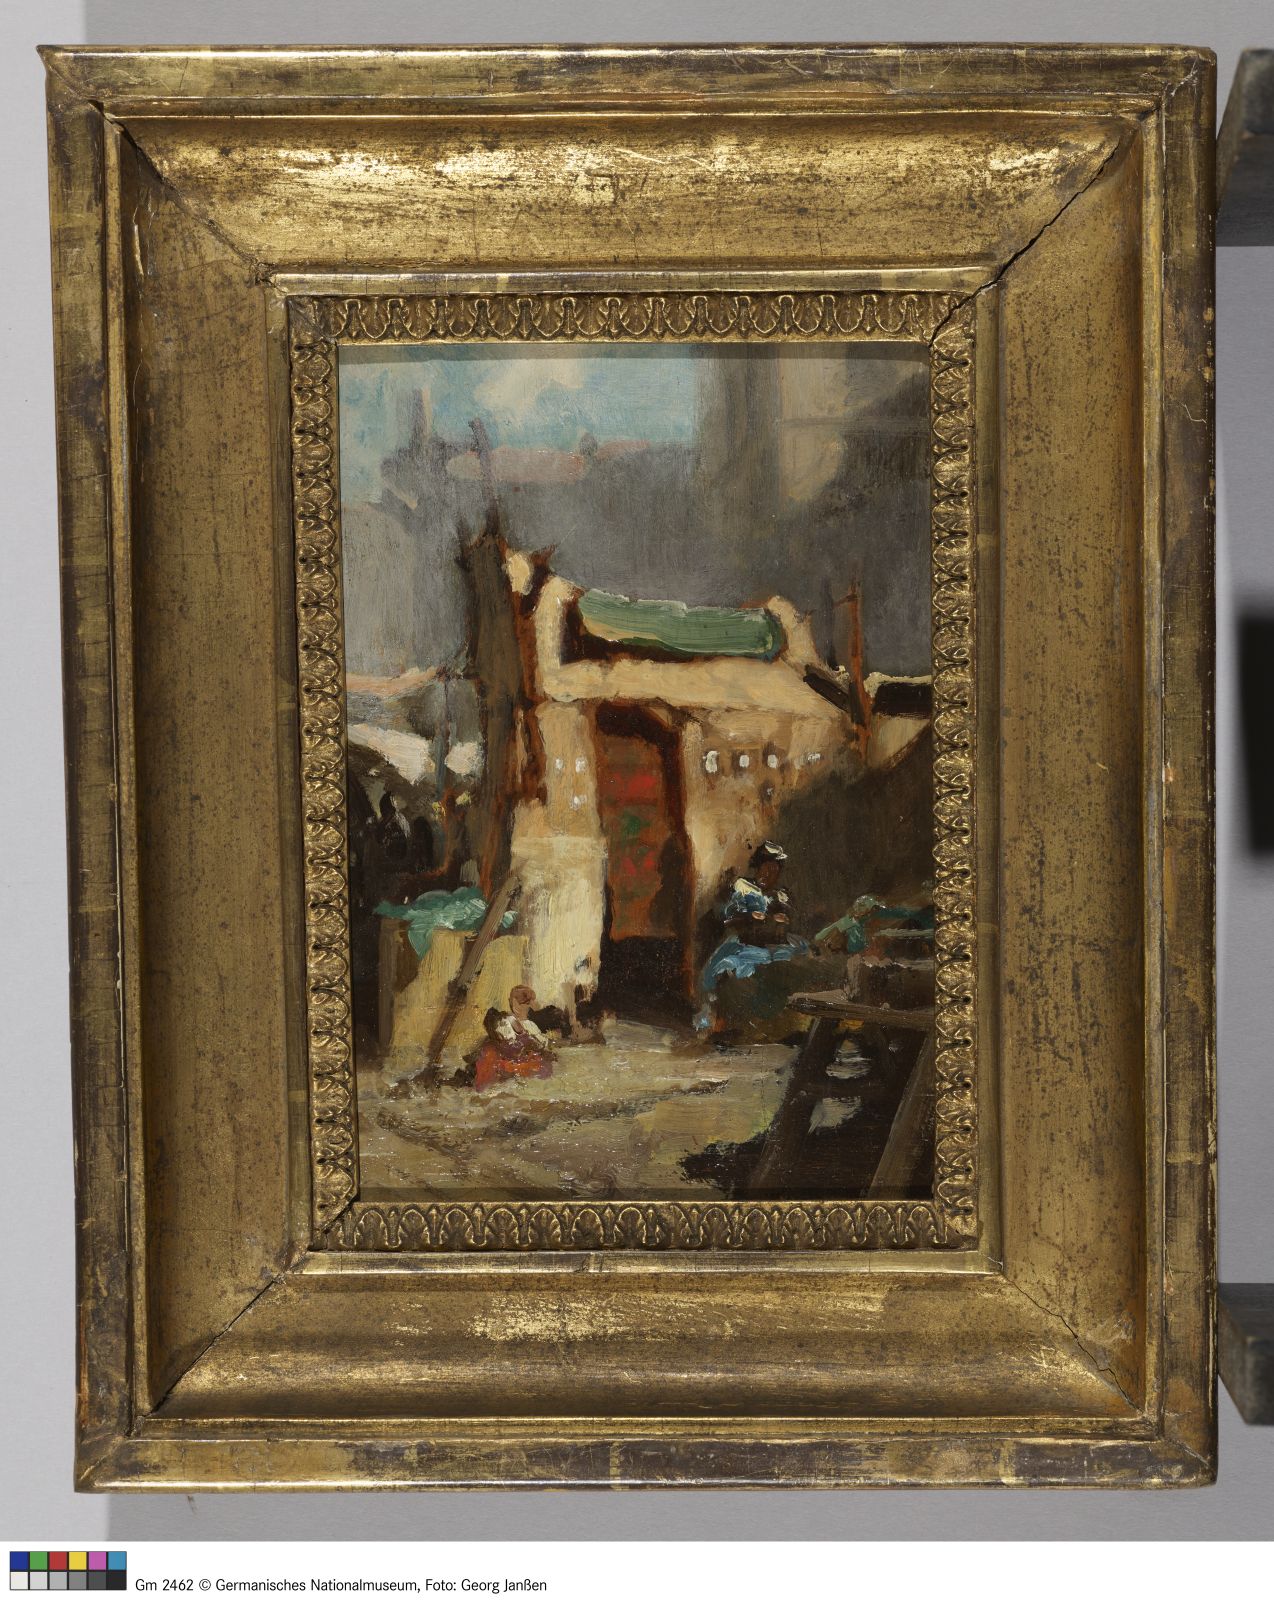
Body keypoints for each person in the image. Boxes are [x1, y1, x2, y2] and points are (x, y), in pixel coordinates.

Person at [696, 841, 809, 1035]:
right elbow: (728, 918)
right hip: (744, 944)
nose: (768, 874)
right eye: (765, 868)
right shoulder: (744, 887)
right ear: (757, 867)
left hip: (772, 946)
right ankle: (722, 1023)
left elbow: (790, 920)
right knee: (726, 970)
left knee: (794, 964)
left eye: (774, 870)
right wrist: (750, 917)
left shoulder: (780, 895)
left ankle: (775, 1024)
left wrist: (782, 920)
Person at [471, 985, 556, 1090]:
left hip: (521, 1058)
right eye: (515, 1002)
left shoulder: (526, 1025)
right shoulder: (507, 1020)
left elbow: (537, 1043)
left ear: (528, 1005)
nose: (517, 1007)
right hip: (511, 1058)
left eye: (523, 1003)